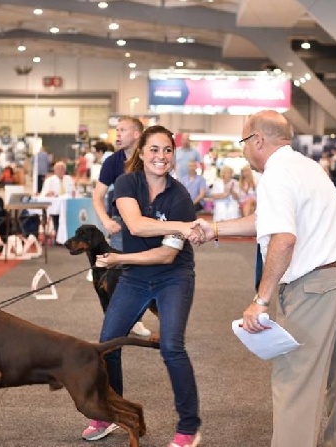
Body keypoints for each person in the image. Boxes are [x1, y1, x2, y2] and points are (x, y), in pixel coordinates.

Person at [191, 110, 336, 447]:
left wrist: (261, 301)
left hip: (317, 286)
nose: (243, 151)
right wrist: (214, 228)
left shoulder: (275, 175)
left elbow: (283, 239)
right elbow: (267, 219)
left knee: (295, 383)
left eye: (243, 142)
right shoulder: (306, 166)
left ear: (258, 140)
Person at [82, 125, 201, 447]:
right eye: (154, 149)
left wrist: (120, 260)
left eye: (167, 150)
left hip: (173, 276)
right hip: (135, 276)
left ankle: (188, 428)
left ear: (173, 155)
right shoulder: (126, 182)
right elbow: (135, 225)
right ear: (141, 152)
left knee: (172, 347)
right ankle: (110, 413)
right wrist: (185, 227)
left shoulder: (180, 197)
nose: (160, 156)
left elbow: (166, 255)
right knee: (107, 345)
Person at [91, 116, 150, 337]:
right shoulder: (112, 162)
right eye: (116, 130)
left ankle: (137, 318)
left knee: (144, 273)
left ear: (136, 134)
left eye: (122, 130)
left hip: (146, 224)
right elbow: (98, 196)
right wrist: (106, 220)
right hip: (118, 225)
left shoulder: (149, 158)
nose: (117, 134)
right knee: (118, 275)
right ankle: (119, 320)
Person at [40, 160, 75, 233]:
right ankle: (58, 233)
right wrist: (48, 194)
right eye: (58, 169)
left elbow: (73, 191)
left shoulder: (69, 179)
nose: (60, 171)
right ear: (55, 170)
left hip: (68, 204)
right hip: (55, 206)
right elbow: (43, 194)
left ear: (65, 170)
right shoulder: (49, 180)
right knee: (57, 213)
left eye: (62, 169)